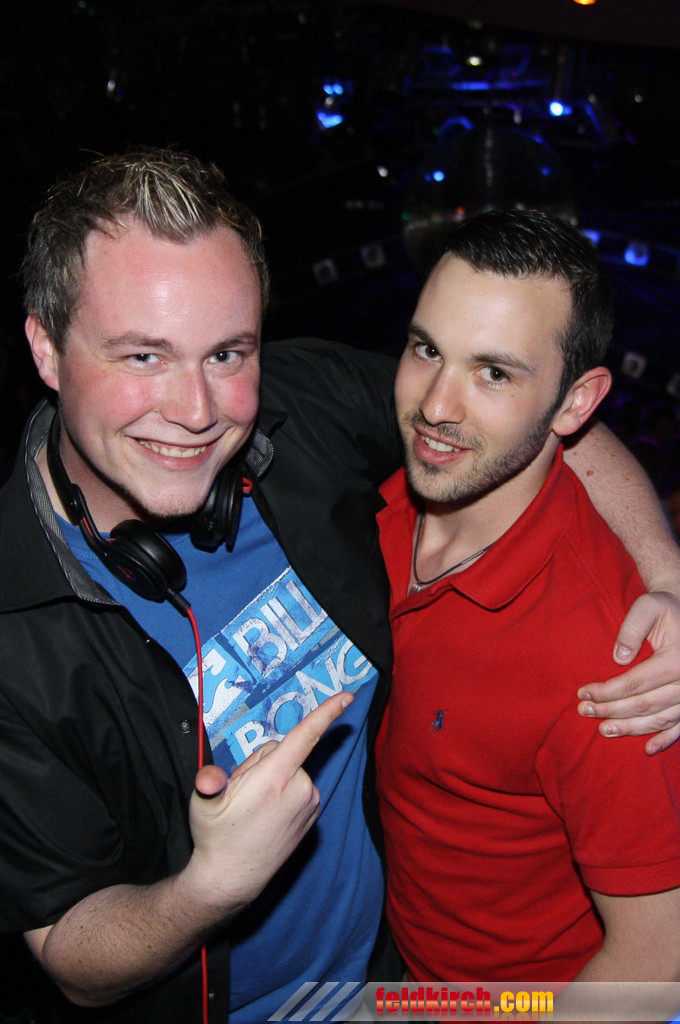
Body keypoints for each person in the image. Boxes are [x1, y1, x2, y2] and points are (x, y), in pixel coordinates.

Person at [0, 149, 679, 1024]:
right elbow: (70, 954)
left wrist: (665, 574)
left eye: (226, 353)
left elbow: (527, 426)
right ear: (47, 349)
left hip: (398, 985)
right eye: (142, 356)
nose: (197, 410)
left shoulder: (305, 406)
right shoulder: (15, 628)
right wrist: (210, 887)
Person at [375, 209, 680, 998]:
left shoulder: (609, 669)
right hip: (405, 971)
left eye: (494, 374)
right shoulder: (390, 497)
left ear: (576, 404)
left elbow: (657, 962)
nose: (436, 406)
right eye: (426, 349)